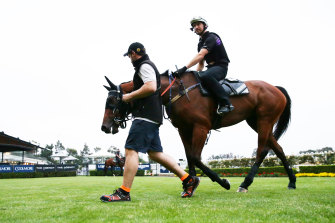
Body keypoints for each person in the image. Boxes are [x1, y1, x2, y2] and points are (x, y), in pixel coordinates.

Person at [100, 42, 200, 202]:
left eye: (129, 56)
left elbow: (151, 87)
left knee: (131, 150)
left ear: (133, 53)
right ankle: (189, 179)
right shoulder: (147, 66)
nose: (129, 59)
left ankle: (123, 192)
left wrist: (128, 96)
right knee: (155, 154)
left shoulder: (143, 66)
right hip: (153, 115)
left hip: (145, 115)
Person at [175, 16, 234, 115]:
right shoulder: (200, 43)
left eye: (198, 24)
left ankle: (226, 104)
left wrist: (184, 68)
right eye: (194, 26)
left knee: (206, 76)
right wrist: (193, 75)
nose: (196, 27)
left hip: (221, 67)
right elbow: (201, 63)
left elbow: (200, 55)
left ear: (205, 25)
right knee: (197, 78)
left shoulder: (211, 37)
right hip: (210, 68)